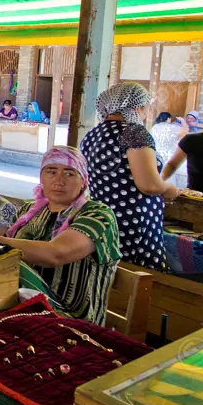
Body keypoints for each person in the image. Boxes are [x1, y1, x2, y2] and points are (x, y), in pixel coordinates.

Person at [0, 147, 121, 325]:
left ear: (83, 181)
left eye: (69, 173)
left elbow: (56, 253)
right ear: (41, 178)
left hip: (69, 319)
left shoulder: (98, 214)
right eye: (51, 171)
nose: (58, 180)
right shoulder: (29, 211)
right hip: (21, 308)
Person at [79, 82, 176, 272]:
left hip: (105, 219)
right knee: (140, 276)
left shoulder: (93, 133)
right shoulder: (134, 132)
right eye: (146, 106)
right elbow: (149, 185)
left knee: (112, 273)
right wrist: (169, 188)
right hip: (134, 223)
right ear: (137, 107)